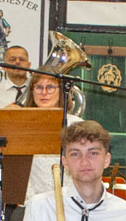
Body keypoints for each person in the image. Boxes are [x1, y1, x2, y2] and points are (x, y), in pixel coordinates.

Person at [18, 70, 83, 204]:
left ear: (62, 92)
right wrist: (32, 202)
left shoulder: (76, 124)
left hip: (70, 201)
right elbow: (19, 171)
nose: (44, 92)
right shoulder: (22, 125)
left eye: (50, 87)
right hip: (32, 201)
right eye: (39, 87)